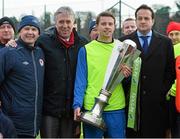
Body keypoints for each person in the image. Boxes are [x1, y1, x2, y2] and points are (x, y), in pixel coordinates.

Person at [119, 4, 176, 138]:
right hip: (132, 105)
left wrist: (161, 91)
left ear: (153, 20)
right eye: (140, 18)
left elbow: (170, 72)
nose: (143, 21)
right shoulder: (124, 42)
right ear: (136, 20)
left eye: (146, 18)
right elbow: (119, 71)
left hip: (157, 105)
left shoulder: (166, 43)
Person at [73, 11, 132, 138]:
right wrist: (77, 104)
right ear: (97, 27)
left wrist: (127, 74)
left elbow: (127, 80)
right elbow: (80, 80)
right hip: (91, 108)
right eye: (103, 24)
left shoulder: (122, 49)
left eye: (110, 24)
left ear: (115, 26)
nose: (107, 26)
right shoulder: (86, 50)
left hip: (116, 107)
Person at [38, 6, 88, 138]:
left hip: (72, 109)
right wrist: (13, 42)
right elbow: (27, 47)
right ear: (55, 23)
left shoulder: (83, 44)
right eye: (61, 22)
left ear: (73, 23)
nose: (65, 25)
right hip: (49, 108)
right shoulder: (43, 42)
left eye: (68, 22)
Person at [0, 15, 44, 138]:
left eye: (34, 29)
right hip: (12, 125)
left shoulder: (40, 53)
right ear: (20, 31)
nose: (30, 32)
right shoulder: (8, 52)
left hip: (33, 125)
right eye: (26, 29)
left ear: (39, 34)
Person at [166, 21, 180, 138]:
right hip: (170, 95)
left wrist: (173, 88)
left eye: (177, 34)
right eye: (171, 34)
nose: (174, 37)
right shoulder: (166, 48)